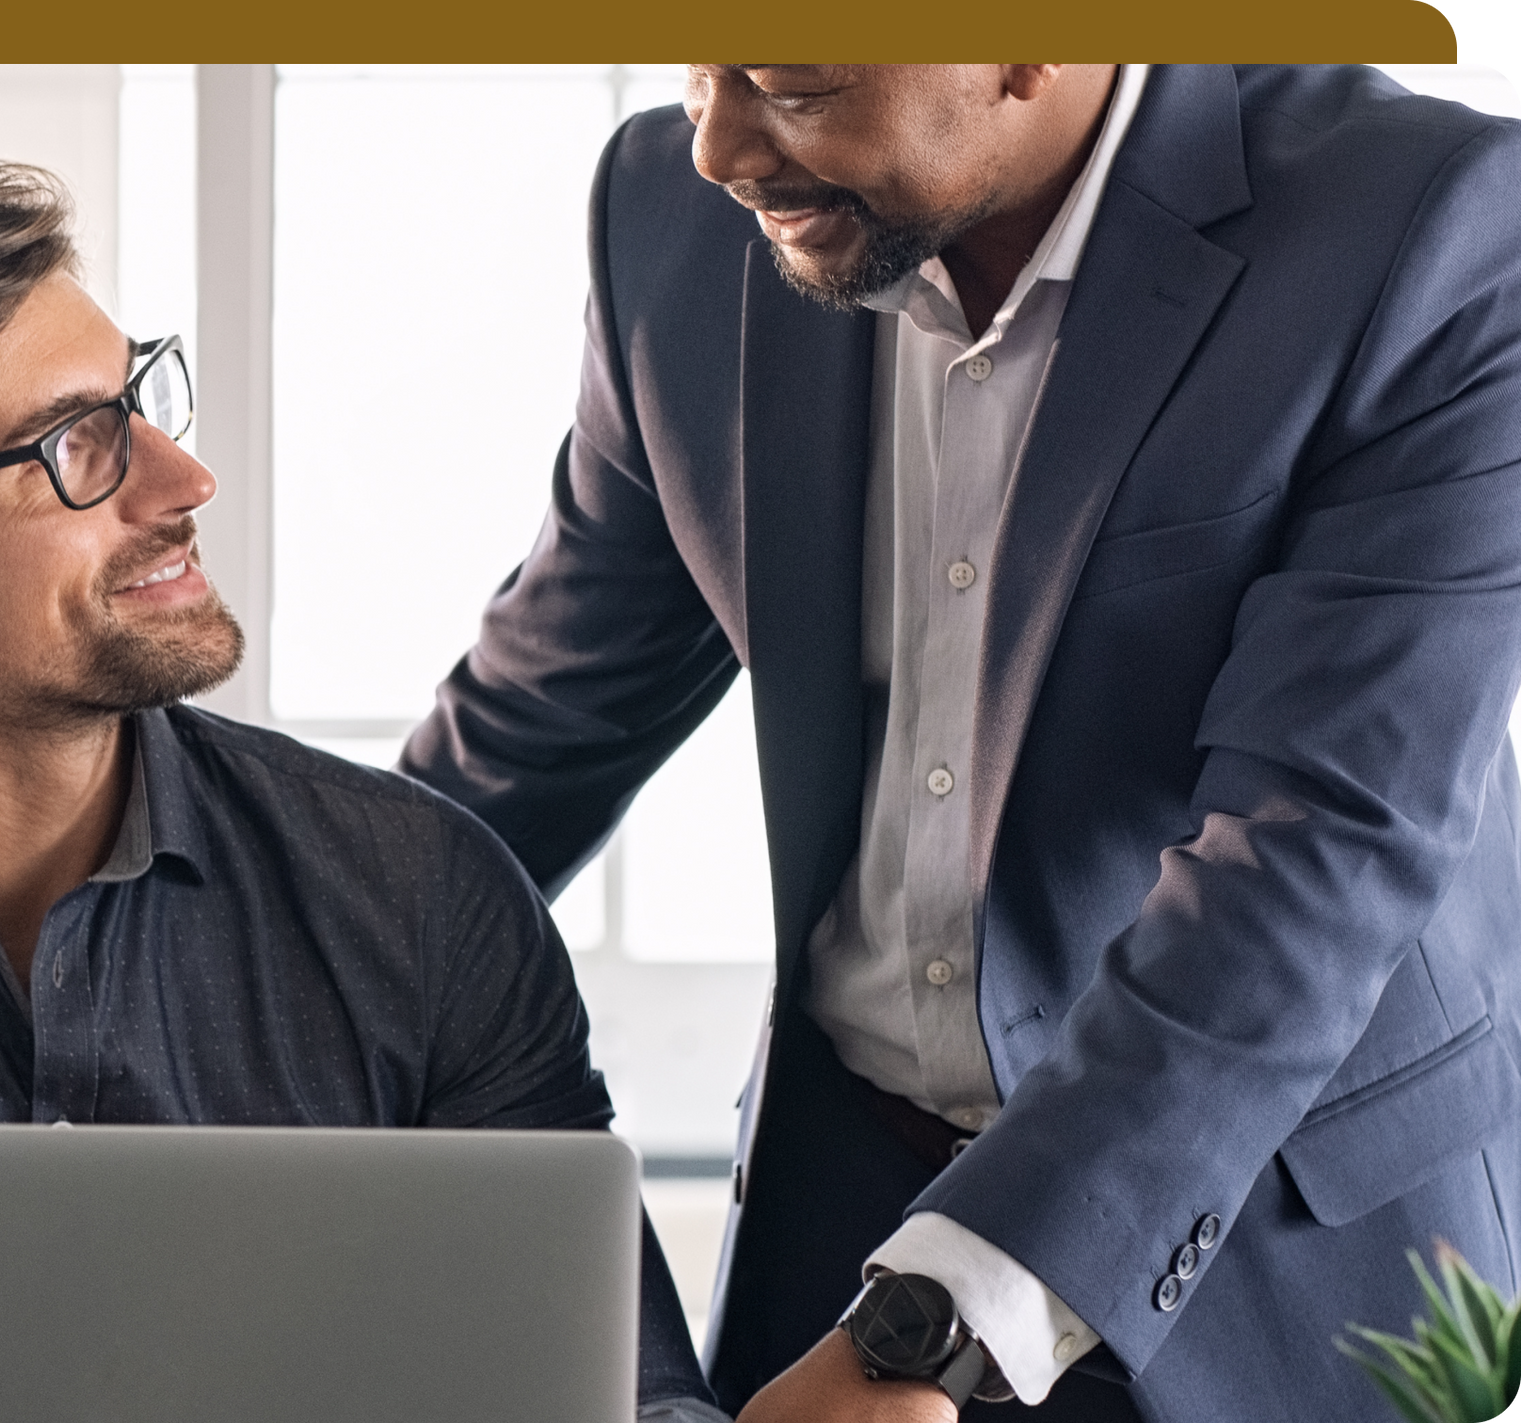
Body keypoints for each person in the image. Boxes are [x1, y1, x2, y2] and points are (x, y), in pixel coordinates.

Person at [399, 64, 1521, 1423]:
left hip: (1273, 1247)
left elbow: (1319, 854)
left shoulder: (1433, 225)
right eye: (694, 63)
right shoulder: (668, 218)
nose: (716, 147)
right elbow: (529, 730)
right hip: (840, 1216)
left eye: (789, 84)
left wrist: (926, 1331)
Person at [0, 162, 723, 1423]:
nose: (181, 483)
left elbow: (628, 1400)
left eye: (141, 400)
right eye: (75, 446)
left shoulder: (428, 897)